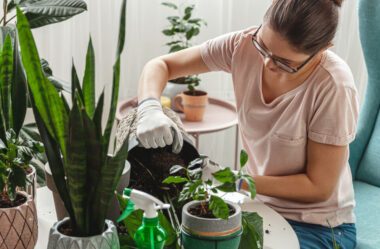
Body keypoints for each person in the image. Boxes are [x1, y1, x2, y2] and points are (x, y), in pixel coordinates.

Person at [136, 0, 358, 248]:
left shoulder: (334, 85)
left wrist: (236, 181)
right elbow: (161, 65)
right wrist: (149, 106)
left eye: (285, 63)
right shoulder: (241, 46)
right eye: (263, 47)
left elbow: (319, 187)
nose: (267, 63)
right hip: (258, 207)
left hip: (319, 226)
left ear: (323, 50)